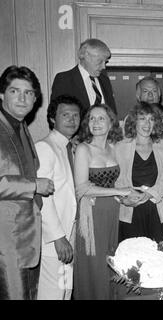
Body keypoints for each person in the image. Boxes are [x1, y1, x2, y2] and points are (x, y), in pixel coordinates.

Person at [0, 66, 54, 300]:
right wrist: (33, 186)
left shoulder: (20, 126)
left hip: (27, 238)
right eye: (15, 91)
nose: (22, 98)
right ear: (2, 94)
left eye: (29, 93)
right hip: (5, 241)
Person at [73, 104, 130, 300]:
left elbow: (119, 181)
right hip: (91, 213)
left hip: (112, 210)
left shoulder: (113, 148)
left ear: (111, 122)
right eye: (91, 118)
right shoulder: (83, 149)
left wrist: (127, 196)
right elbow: (81, 188)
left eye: (101, 118)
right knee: (94, 265)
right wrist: (117, 191)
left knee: (109, 261)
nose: (95, 123)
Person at [35, 95, 83, 300]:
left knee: (65, 291)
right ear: (53, 119)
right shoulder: (45, 147)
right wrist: (58, 237)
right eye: (65, 115)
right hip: (54, 239)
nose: (72, 120)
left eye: (76, 115)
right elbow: (42, 197)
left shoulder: (69, 147)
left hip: (69, 232)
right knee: (52, 294)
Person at [115, 102, 163, 243]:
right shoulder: (119, 147)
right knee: (135, 258)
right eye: (142, 118)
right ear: (134, 121)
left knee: (162, 255)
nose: (147, 123)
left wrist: (149, 194)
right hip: (131, 209)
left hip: (159, 209)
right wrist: (124, 198)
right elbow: (117, 180)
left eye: (151, 119)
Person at [50, 38, 117, 115]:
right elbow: (57, 115)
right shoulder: (64, 80)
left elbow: (112, 114)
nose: (103, 67)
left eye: (105, 62)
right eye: (100, 61)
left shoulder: (105, 80)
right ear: (86, 56)